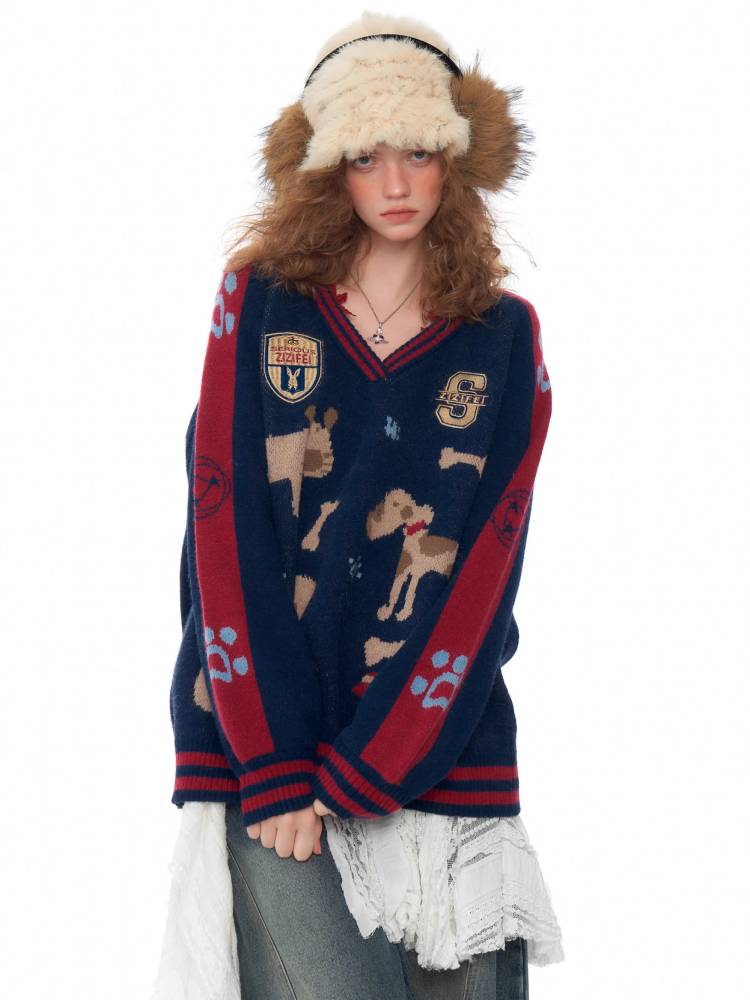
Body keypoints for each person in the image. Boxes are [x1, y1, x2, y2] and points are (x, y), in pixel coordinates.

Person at [153, 11, 564, 1000]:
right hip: (269, 757)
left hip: (446, 759)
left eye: (419, 153)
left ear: (458, 158)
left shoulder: (506, 336)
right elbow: (226, 537)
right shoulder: (257, 306)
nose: (395, 183)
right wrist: (276, 761)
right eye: (365, 156)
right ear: (324, 166)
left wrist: (377, 766)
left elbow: (486, 577)